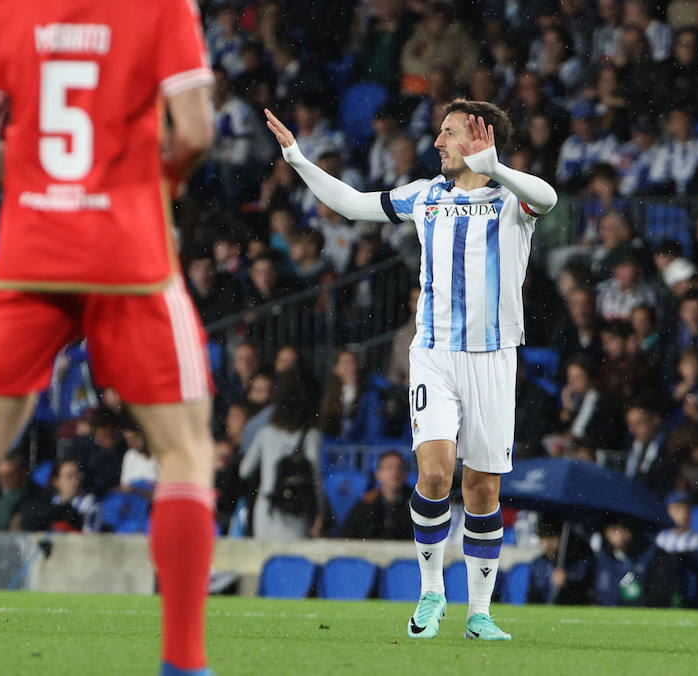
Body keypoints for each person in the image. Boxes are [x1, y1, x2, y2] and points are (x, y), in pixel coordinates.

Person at [0, 2, 219, 674]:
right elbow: (195, 131)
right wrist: (145, 188)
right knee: (186, 453)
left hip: (30, 256)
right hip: (127, 260)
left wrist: (41, 185)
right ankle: (184, 663)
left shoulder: (3, 9)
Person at [266, 94, 557, 642]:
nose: (438, 143)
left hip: (495, 359)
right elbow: (354, 204)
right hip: (433, 354)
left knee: (483, 492)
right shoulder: (426, 196)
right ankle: (430, 591)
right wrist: (299, 159)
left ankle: (479, 613)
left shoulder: (510, 199)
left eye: (449, 133)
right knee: (436, 473)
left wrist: (495, 168)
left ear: (479, 137)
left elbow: (550, 196)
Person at [238, 373, 325, 541]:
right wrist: (320, 511)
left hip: (266, 509)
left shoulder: (265, 433)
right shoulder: (311, 435)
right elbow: (315, 477)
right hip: (297, 511)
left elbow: (244, 470)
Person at [340, 451, 412, 540]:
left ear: (406, 473)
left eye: (399, 467)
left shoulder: (416, 505)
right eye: (389, 467)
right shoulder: (365, 504)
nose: (395, 472)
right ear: (378, 474)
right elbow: (346, 536)